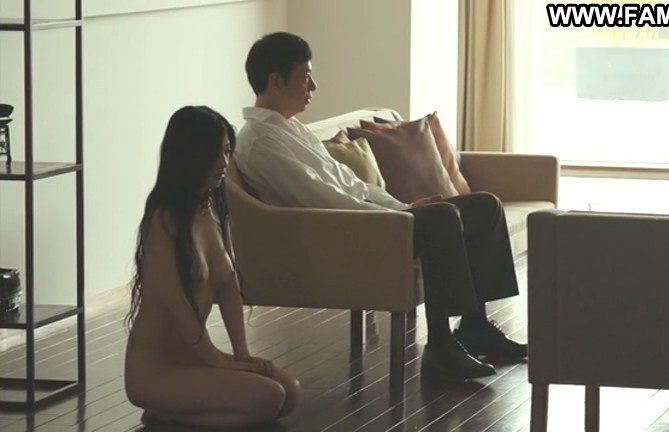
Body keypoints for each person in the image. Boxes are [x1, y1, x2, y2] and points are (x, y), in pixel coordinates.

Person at [233, 32, 526, 381]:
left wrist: (404, 206)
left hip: (365, 219)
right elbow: (320, 198)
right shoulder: (260, 141)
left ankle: (476, 326)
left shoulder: (291, 129)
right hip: (339, 233)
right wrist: (396, 217)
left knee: (485, 206)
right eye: (305, 77)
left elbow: (350, 183)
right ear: (276, 81)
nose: (314, 86)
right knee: (442, 218)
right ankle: (440, 346)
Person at [123, 106, 300, 430]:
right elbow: (180, 308)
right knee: (269, 397)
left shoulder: (210, 209)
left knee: (289, 392)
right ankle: (167, 413)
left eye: (227, 151)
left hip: (195, 357)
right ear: (188, 157)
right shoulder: (162, 221)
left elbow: (229, 288)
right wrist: (219, 362)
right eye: (214, 154)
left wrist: (242, 355)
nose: (224, 164)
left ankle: (177, 411)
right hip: (157, 369)